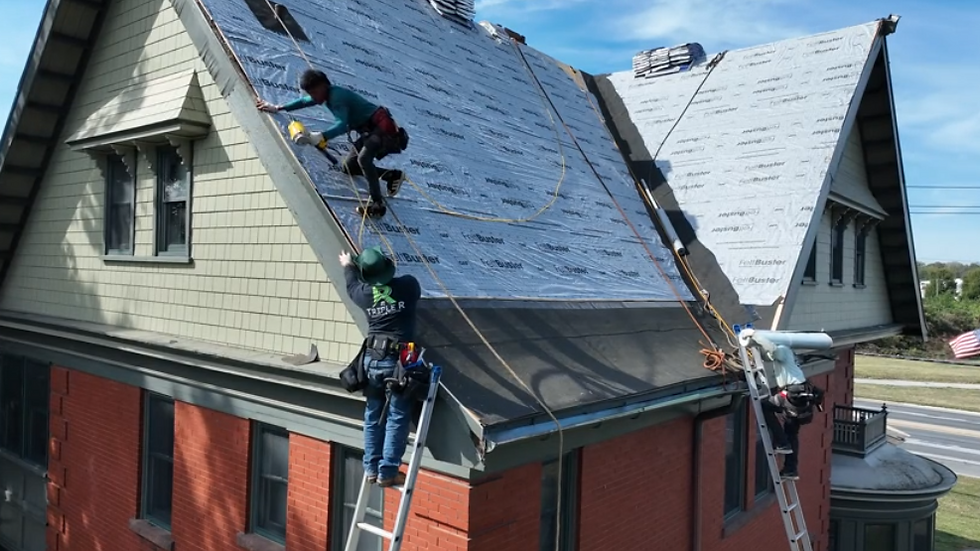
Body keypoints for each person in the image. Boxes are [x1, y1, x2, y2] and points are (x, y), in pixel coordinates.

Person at [256, 69, 409, 218]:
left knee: (364, 159)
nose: (313, 97)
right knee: (350, 167)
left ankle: (378, 205)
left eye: (314, 92)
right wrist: (278, 108)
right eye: (311, 93)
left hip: (382, 128)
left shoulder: (336, 97)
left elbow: (342, 125)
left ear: (324, 86)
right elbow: (304, 102)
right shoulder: (326, 95)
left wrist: (323, 136)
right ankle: (391, 175)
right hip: (370, 130)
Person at [339, 246, 422, 487]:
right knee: (397, 415)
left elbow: (351, 280)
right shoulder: (408, 286)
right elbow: (407, 282)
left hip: (372, 358)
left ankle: (371, 469)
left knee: (373, 415)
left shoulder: (362, 293)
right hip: (403, 356)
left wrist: (348, 264)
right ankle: (388, 471)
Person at [758, 344, 825, 481]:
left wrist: (754, 338)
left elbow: (772, 351)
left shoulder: (782, 349)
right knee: (791, 433)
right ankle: (790, 469)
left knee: (765, 406)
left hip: (792, 393)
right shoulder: (790, 353)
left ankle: (781, 442)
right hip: (800, 395)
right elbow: (770, 356)